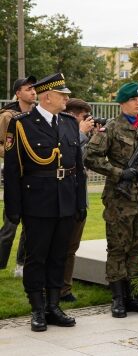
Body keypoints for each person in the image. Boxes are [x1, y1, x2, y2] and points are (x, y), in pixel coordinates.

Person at [3, 73, 86, 332]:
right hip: (37, 201)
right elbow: (13, 171)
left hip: (66, 201)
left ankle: (53, 306)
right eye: (63, 94)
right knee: (37, 257)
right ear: (48, 96)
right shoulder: (22, 124)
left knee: (58, 256)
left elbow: (78, 168)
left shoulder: (70, 124)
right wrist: (13, 209)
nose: (67, 98)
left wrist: (80, 202)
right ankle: (37, 309)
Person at [85, 82, 138, 318]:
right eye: (134, 99)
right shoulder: (111, 128)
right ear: (123, 103)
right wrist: (119, 173)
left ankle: (133, 296)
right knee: (118, 247)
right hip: (119, 198)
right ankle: (118, 298)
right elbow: (91, 157)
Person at [59, 98, 96, 302]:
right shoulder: (62, 133)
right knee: (59, 247)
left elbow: (87, 161)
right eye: (84, 117)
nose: (87, 121)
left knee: (72, 247)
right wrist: (81, 134)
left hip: (80, 201)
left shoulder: (80, 137)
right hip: (64, 200)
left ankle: (65, 289)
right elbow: (70, 158)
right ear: (73, 116)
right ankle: (53, 289)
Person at [0, 76, 37, 276]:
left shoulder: (37, 115)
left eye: (34, 89)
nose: (33, 92)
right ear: (18, 93)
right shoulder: (7, 116)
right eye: (28, 89)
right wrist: (15, 152)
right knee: (11, 224)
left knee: (31, 224)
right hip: (15, 175)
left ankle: (21, 264)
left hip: (34, 176)